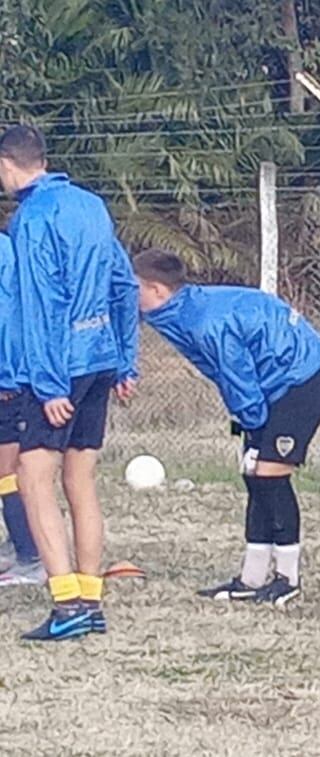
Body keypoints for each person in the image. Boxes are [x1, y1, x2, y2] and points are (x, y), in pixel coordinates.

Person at [134, 249, 320, 607]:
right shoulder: (181, 311)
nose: (128, 298)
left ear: (157, 291)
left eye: (134, 290)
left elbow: (237, 377)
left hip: (303, 377)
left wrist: (256, 431)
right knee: (253, 474)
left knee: (270, 474)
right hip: (273, 382)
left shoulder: (203, 322)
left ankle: (288, 578)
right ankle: (251, 578)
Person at [0, 124, 139, 641]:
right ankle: (91, 599)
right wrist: (125, 361)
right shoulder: (90, 205)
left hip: (59, 366)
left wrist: (50, 385)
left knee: (33, 479)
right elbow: (123, 283)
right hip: (101, 357)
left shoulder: (31, 219)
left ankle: (66, 606)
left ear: (7, 163)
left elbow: (40, 306)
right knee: (79, 480)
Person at [0, 230, 42, 587]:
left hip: (8, 378)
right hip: (13, 374)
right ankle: (19, 545)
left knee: (7, 470)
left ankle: (31, 557)